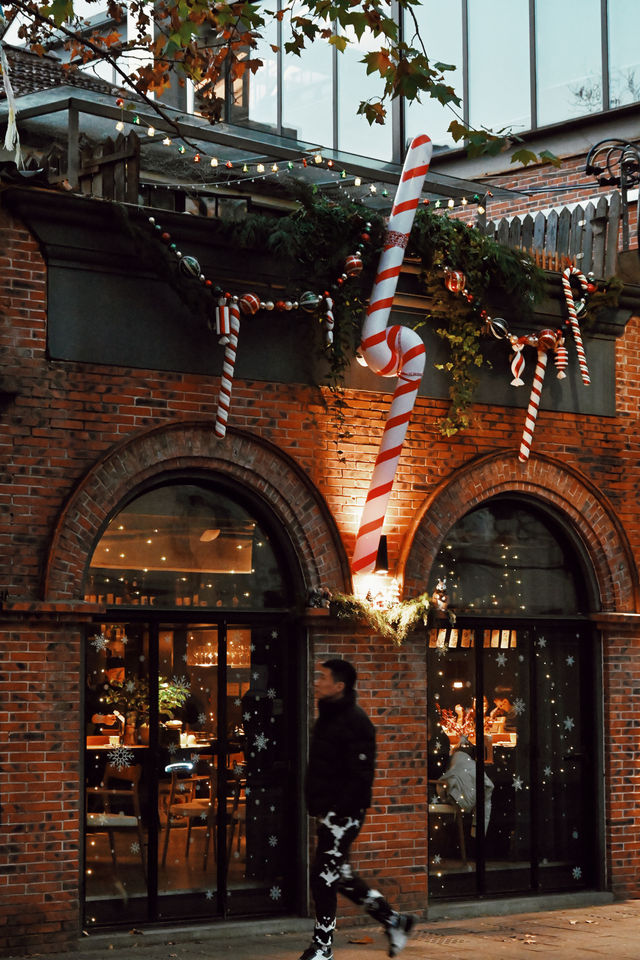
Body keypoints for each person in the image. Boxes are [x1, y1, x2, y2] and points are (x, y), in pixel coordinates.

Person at [299, 659, 416, 960]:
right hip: (329, 812)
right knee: (340, 875)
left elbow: (360, 776)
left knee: (324, 876)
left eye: (323, 677)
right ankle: (394, 920)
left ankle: (323, 947)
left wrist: (337, 811)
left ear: (339, 686)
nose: (317, 682)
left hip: (344, 814)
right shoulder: (328, 717)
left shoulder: (356, 722)